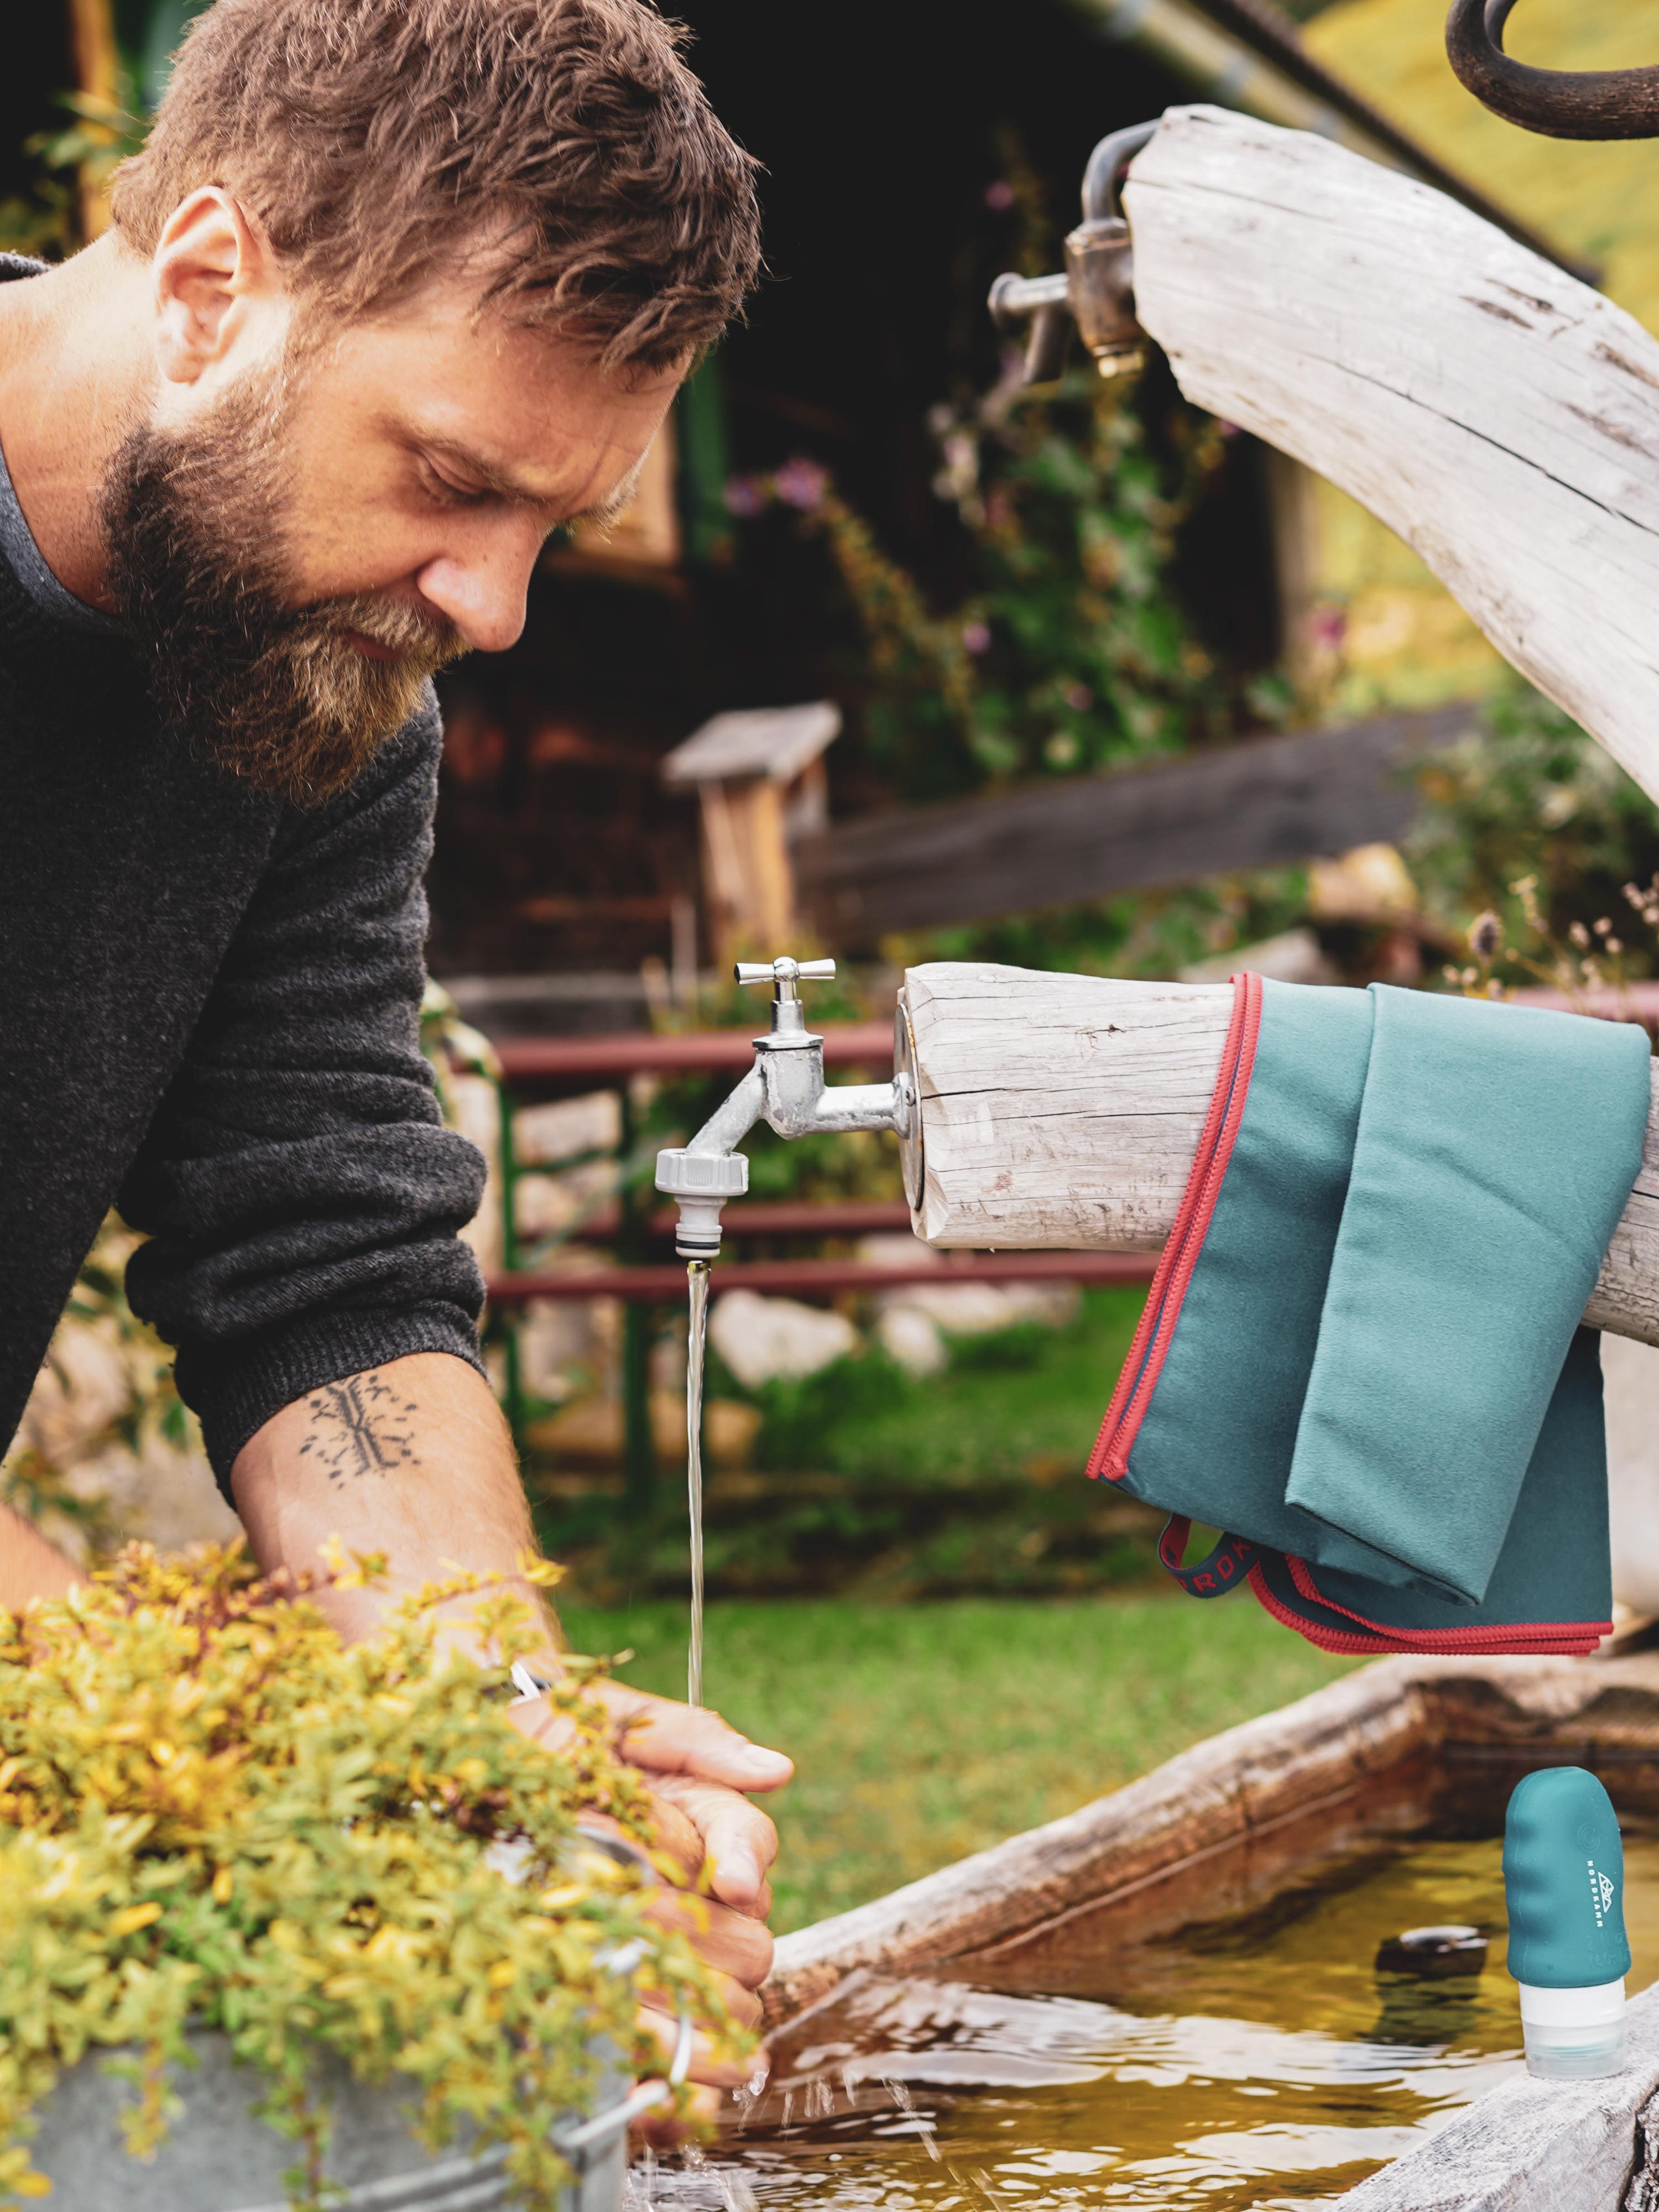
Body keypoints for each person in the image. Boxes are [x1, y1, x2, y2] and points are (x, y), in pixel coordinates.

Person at [0, 0, 790, 2095]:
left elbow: (323, 1262)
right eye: (453, 480)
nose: (497, 606)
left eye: (560, 520)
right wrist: (306, 1773)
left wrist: (504, 1761)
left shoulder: (318, 686)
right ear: (203, 287)